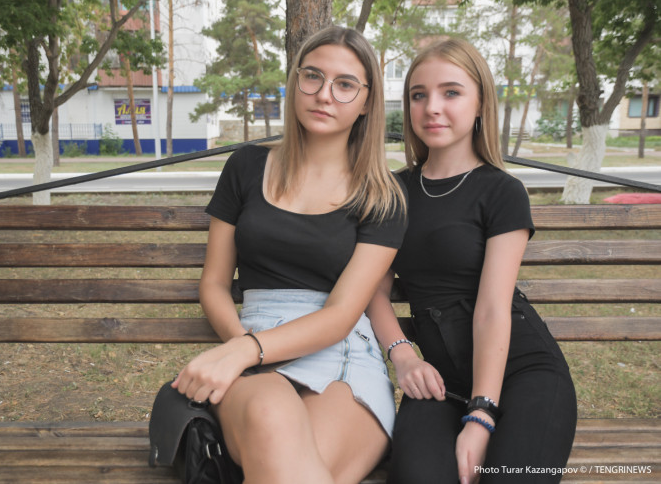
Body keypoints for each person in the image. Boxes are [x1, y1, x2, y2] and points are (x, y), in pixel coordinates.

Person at [171, 26, 408, 484]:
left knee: (288, 466)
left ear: (367, 101)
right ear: (295, 81)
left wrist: (247, 350)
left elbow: (341, 315)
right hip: (250, 337)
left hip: (342, 351)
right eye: (313, 76)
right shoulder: (246, 166)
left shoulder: (383, 194)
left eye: (345, 84)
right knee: (271, 416)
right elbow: (215, 284)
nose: (324, 95)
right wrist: (242, 347)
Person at [367, 37, 577, 484]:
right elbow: (373, 291)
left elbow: (493, 308)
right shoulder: (393, 192)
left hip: (522, 372)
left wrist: (482, 414)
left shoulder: (501, 192)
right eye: (418, 95)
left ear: (480, 103)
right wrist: (403, 356)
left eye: (451, 92)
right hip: (439, 382)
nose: (432, 108)